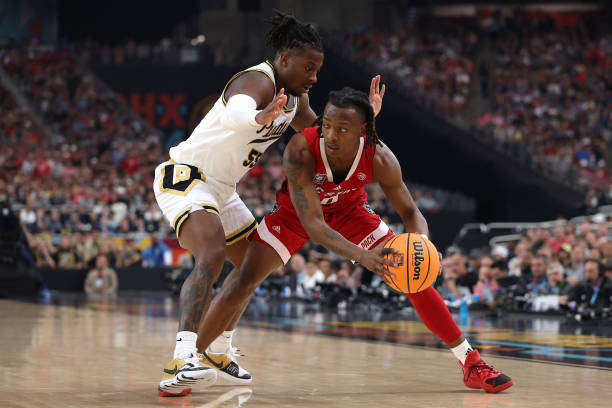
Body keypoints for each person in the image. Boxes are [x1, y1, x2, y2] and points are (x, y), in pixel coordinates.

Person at [196, 88, 513, 393]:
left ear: (364, 131)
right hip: (297, 214)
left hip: (350, 211)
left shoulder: (380, 158)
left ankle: (471, 362)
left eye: (342, 129)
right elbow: (315, 226)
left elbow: (410, 212)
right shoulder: (301, 148)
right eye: (327, 125)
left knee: (414, 279)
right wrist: (363, 257)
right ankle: (190, 359)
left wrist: (422, 245)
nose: (331, 135)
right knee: (245, 277)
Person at [154, 13, 386, 396]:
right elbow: (236, 111)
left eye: (318, 69)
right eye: (308, 67)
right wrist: (259, 117)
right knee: (210, 254)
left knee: (251, 268)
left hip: (223, 190)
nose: (313, 76)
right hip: (188, 177)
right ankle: (182, 356)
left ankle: (217, 349)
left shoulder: (295, 98)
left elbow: (323, 134)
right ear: (284, 59)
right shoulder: (258, 79)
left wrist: (366, 119)